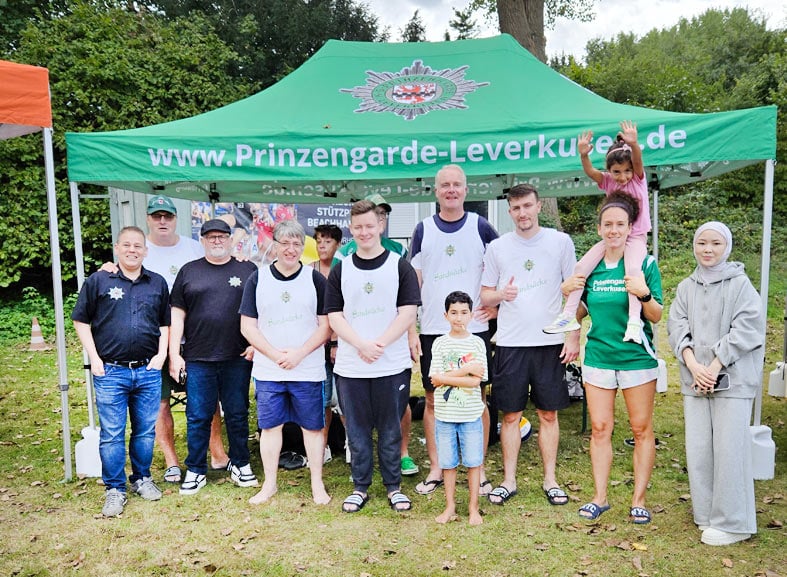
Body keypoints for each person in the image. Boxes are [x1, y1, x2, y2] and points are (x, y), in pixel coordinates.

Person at [479, 184, 579, 506]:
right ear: (509, 212)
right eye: (516, 208)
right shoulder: (497, 248)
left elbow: (574, 290)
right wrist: (500, 296)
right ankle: (509, 480)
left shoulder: (560, 242)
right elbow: (485, 296)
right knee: (510, 415)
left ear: (538, 207)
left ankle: (550, 479)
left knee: (549, 414)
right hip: (510, 343)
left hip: (549, 342)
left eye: (527, 206)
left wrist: (572, 332)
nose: (522, 213)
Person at [667, 222, 764, 546]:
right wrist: (694, 364)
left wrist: (716, 363)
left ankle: (734, 523)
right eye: (702, 243)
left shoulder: (740, 285)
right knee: (699, 449)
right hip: (695, 378)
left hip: (731, 382)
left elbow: (748, 329)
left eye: (716, 244)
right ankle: (707, 514)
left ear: (727, 248)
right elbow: (676, 326)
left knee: (729, 450)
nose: (708, 249)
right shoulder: (686, 287)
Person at [572, 192, 663, 524]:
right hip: (598, 356)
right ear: (599, 229)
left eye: (620, 224)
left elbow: (655, 316)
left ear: (629, 228)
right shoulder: (591, 266)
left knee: (640, 429)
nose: (613, 230)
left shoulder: (645, 265)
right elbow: (580, 311)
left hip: (636, 358)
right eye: (607, 224)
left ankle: (639, 499)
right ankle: (600, 497)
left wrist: (644, 293)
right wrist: (567, 291)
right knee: (599, 428)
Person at [325, 200, 420, 513]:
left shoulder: (399, 265)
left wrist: (379, 343)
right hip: (353, 365)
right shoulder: (342, 269)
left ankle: (393, 487)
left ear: (380, 226)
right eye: (358, 227)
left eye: (369, 225)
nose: (364, 232)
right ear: (351, 230)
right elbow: (334, 316)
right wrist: (360, 345)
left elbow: (408, 312)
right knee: (358, 429)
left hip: (391, 364)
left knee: (391, 428)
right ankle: (360, 486)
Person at [409, 164, 498, 497]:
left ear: (465, 190)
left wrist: (496, 303)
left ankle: (480, 467)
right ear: (435, 191)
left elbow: (502, 266)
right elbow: (413, 281)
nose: (450, 190)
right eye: (444, 185)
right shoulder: (422, 229)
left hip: (475, 330)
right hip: (434, 329)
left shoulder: (481, 226)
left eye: (456, 185)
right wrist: (409, 327)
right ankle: (437, 467)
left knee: (478, 398)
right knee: (434, 400)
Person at [72, 226, 170, 517]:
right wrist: (95, 358)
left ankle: (142, 478)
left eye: (137, 246)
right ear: (117, 248)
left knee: (144, 432)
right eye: (126, 245)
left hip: (148, 371)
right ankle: (114, 489)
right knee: (113, 434)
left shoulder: (157, 283)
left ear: (145, 251)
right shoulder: (99, 280)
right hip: (110, 371)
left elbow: (165, 324)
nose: (132, 250)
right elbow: (81, 320)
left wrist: (161, 356)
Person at [240, 220, 332, 505]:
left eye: (296, 244)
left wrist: (299, 353)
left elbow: (326, 326)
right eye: (285, 243)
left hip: (307, 368)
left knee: (313, 428)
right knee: (270, 427)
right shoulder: (258, 279)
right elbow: (247, 326)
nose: (291, 249)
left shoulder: (315, 279)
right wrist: (273, 354)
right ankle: (269, 484)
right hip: (269, 368)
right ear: (274, 245)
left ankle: (317, 484)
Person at [143, 195, 230, 483]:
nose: (163, 221)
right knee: (161, 402)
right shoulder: (141, 250)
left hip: (195, 339)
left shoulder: (194, 248)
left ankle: (217, 453)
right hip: (154, 340)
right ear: (149, 220)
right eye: (157, 216)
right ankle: (171, 461)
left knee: (208, 399)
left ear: (176, 218)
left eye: (167, 216)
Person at [168, 218, 259, 495]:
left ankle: (240, 463)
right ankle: (195, 470)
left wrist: (257, 344)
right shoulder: (188, 271)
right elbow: (177, 315)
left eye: (222, 236)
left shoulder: (248, 269)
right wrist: (174, 353)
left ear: (231, 240)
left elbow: (261, 310)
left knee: (237, 413)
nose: (217, 241)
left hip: (237, 356)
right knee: (197, 415)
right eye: (211, 237)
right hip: (198, 358)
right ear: (203, 240)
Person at [544, 121, 651, 344]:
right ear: (610, 170)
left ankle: (633, 322)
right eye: (617, 172)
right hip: (612, 237)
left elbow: (638, 161)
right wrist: (583, 155)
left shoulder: (638, 181)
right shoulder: (608, 182)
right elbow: (591, 171)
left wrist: (634, 144)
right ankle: (568, 316)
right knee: (581, 267)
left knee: (632, 271)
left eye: (627, 171)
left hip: (635, 236)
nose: (622, 177)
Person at [430, 291, 488, 526]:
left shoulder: (476, 343)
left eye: (464, 313)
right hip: (445, 415)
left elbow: (477, 381)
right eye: (453, 313)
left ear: (471, 315)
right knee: (448, 463)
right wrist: (465, 370)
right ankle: (450, 506)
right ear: (446, 315)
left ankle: (474, 508)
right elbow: (435, 379)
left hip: (471, 414)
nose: (459, 318)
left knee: (474, 462)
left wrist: (447, 377)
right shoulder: (440, 343)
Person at [312, 223, 343, 464]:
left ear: (338, 244)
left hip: (342, 344)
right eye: (319, 240)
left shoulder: (344, 270)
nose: (322, 245)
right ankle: (322, 447)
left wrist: (335, 342)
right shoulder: (308, 271)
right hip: (315, 346)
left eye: (328, 241)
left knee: (345, 399)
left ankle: (351, 443)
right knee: (321, 399)